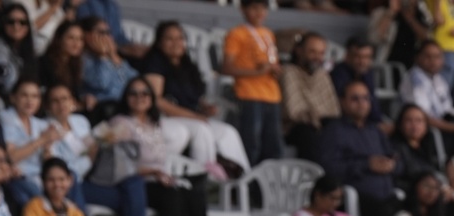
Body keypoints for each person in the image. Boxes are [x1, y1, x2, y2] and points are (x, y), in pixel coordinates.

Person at [142, 20, 251, 176]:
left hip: (190, 118)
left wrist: (204, 107)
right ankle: (204, 179)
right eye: (169, 39)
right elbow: (156, 100)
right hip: (165, 119)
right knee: (202, 130)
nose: (176, 43)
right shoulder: (154, 63)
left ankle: (244, 179)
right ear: (159, 42)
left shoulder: (187, 64)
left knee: (228, 132)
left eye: (180, 38)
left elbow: (190, 97)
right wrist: (194, 116)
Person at [98, 81, 209, 216]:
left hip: (158, 180)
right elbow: (112, 159)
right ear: (126, 97)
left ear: (151, 98)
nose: (139, 97)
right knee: (172, 196)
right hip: (135, 184)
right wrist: (153, 172)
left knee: (193, 194)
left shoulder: (154, 124)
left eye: (145, 93)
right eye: (133, 93)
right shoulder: (120, 122)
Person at [320, 82, 402, 216]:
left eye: (365, 98)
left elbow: (398, 161)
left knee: (414, 208)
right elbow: (329, 168)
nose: (361, 103)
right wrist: (367, 165)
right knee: (386, 213)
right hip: (355, 195)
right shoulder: (334, 131)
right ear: (342, 102)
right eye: (355, 99)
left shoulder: (375, 131)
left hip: (387, 195)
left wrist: (391, 165)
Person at [222, 0, 284, 165]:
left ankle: (268, 180)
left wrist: (274, 70)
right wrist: (257, 72)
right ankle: (247, 178)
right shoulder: (237, 34)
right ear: (243, 9)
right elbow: (226, 67)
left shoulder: (268, 33)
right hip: (248, 94)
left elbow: (270, 62)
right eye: (254, 8)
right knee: (251, 144)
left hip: (272, 94)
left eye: (263, 9)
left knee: (273, 145)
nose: (259, 13)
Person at [0, 79, 62, 208]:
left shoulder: (40, 124)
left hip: (39, 178)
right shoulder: (7, 118)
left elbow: (48, 163)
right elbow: (12, 157)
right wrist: (42, 140)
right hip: (17, 178)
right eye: (24, 95)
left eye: (35, 96)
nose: (30, 101)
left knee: (68, 178)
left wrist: (47, 146)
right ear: (13, 98)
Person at [282, 31, 338, 164]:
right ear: (299, 51)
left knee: (339, 130)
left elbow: (333, 110)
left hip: (321, 124)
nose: (317, 57)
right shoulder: (288, 72)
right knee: (307, 133)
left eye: (321, 53)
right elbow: (293, 112)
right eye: (312, 52)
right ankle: (313, 175)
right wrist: (314, 119)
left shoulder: (322, 75)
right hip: (294, 127)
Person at [402, 41, 454, 137]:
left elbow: (446, 111)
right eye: (428, 56)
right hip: (424, 131)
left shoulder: (439, 79)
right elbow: (422, 117)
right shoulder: (415, 78)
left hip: (442, 126)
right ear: (418, 58)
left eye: (437, 57)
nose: (433, 61)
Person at [81, 16, 138, 119]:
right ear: (87, 35)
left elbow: (135, 81)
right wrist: (102, 57)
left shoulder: (112, 56)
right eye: (102, 33)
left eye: (109, 33)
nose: (107, 37)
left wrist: (115, 58)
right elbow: (101, 83)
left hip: (124, 108)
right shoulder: (84, 59)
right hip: (103, 111)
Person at [330, 37, 389, 133]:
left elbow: (372, 102)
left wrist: (379, 123)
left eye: (367, 57)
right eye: (358, 56)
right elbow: (346, 108)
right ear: (347, 56)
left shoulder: (367, 73)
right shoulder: (338, 74)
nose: (362, 62)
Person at [392, 103, 449, 188]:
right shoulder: (396, 149)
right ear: (400, 124)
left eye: (419, 121)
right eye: (409, 120)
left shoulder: (428, 147)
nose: (414, 125)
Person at [39, 19, 89, 99]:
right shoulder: (44, 63)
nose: (76, 43)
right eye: (71, 38)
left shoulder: (75, 65)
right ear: (60, 39)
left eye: (80, 39)